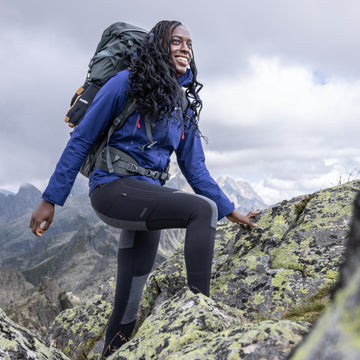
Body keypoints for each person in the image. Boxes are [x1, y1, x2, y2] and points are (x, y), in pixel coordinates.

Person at [30, 20, 257, 358]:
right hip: (112, 189)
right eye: (176, 41)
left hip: (147, 197)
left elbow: (195, 168)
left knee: (127, 310)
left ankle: (112, 351)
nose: (184, 48)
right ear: (158, 46)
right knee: (200, 210)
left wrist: (232, 211)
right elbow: (82, 138)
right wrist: (50, 200)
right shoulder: (125, 83)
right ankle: (201, 318)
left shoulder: (181, 104)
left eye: (189, 44)